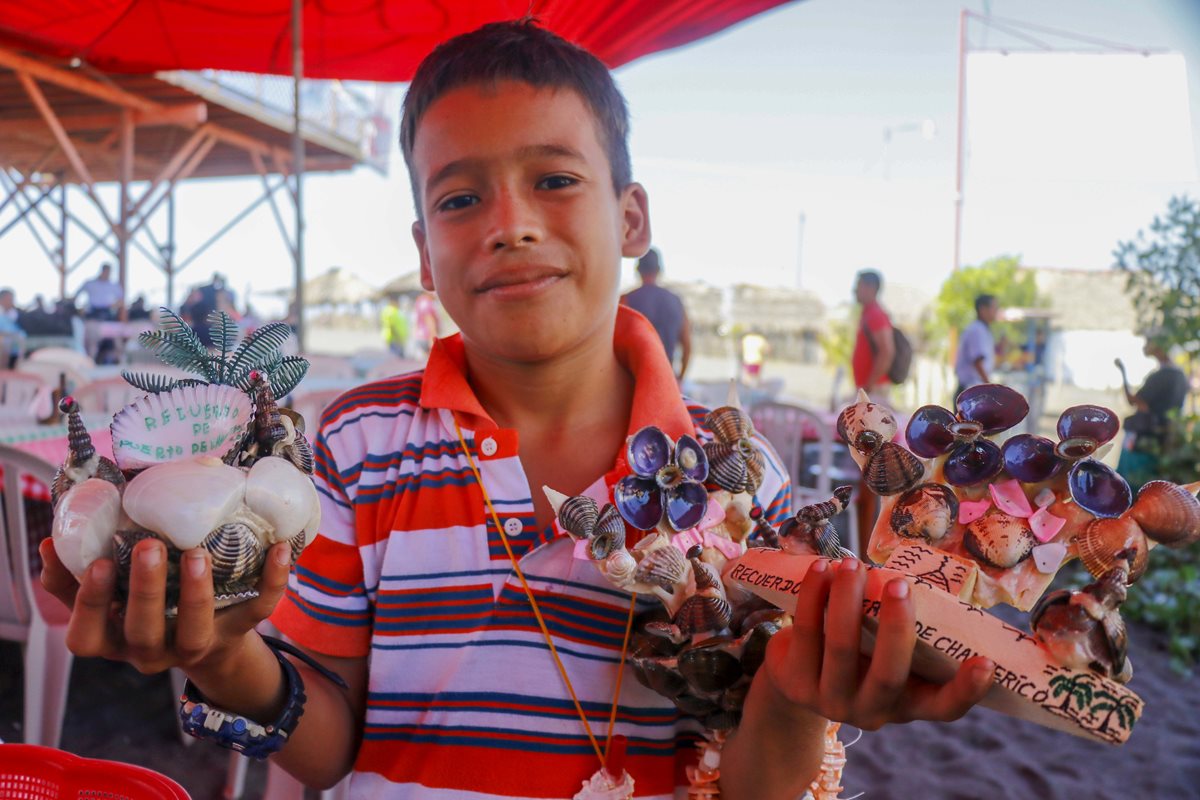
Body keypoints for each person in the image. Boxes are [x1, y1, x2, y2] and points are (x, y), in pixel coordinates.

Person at [40, 21, 992, 799]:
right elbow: (331, 748)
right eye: (460, 199)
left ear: (631, 217)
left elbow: (751, 781)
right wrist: (220, 654)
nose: (510, 224)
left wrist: (792, 697)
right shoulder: (360, 446)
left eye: (555, 180)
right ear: (425, 253)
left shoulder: (738, 480)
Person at [620, 247, 692, 380]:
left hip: (634, 381)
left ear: (638, 270)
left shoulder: (625, 300)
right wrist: (679, 379)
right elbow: (687, 345)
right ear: (659, 270)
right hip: (666, 378)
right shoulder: (676, 301)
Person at [1116, 334, 1189, 453]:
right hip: (1167, 437)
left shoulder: (1160, 376)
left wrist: (1122, 372)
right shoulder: (1181, 375)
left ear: (1159, 348)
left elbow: (1137, 403)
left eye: (1149, 342)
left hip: (1148, 438)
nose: (1145, 346)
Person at [851, 269, 895, 398]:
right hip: (869, 389)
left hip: (874, 390)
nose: (855, 290)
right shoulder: (868, 313)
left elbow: (886, 352)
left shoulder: (876, 314)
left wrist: (869, 386)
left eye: (859, 285)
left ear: (871, 288)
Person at [954, 294, 999, 402]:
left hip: (974, 391)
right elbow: (978, 362)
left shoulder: (983, 329)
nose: (996, 311)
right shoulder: (977, 330)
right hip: (970, 393)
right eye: (994, 307)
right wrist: (990, 387)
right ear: (983, 309)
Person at [0, 288, 24, 367]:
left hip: (14, 348)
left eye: (12, 299)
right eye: (9, 299)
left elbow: (20, 332)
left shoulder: (15, 314)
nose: (11, 302)